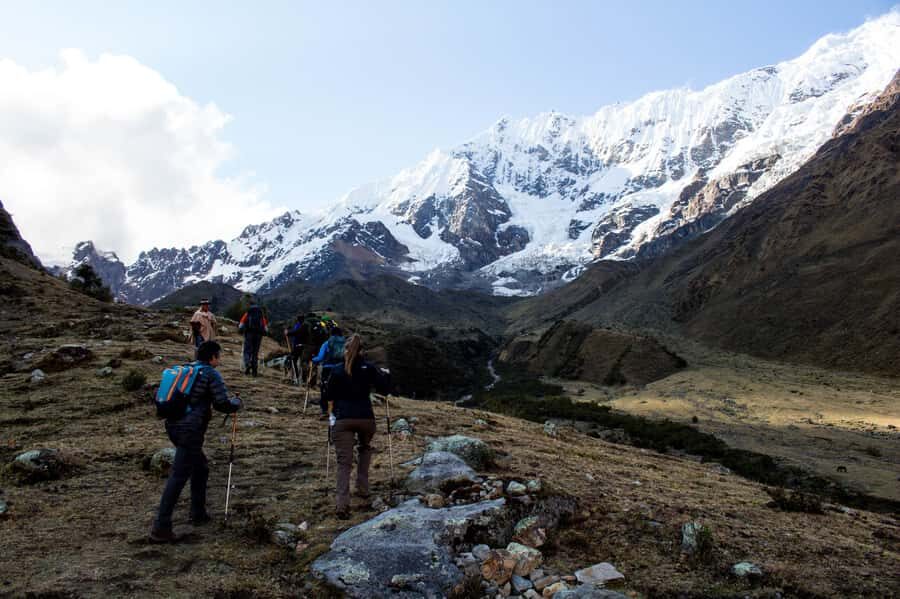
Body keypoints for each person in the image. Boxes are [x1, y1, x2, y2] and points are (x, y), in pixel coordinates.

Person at [150, 341, 242, 542]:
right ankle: (161, 527)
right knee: (178, 475)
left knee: (200, 468)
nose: (220, 359)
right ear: (213, 357)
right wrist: (236, 404)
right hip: (190, 430)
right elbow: (222, 403)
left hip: (173, 426)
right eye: (219, 356)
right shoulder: (210, 373)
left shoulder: (187, 370)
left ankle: (198, 513)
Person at [323, 334, 390, 519]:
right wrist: (385, 375)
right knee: (365, 448)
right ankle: (363, 488)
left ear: (345, 350)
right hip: (366, 418)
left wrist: (329, 412)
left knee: (344, 462)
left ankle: (342, 504)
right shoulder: (369, 368)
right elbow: (385, 389)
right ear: (363, 352)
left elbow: (328, 396)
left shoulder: (336, 370)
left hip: (343, 419)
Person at [312, 324, 345, 416]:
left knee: (325, 388)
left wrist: (313, 359)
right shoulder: (345, 343)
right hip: (341, 369)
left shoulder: (327, 343)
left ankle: (325, 409)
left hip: (328, 369)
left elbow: (320, 357)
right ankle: (338, 409)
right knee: (339, 389)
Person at [238, 301, 269, 377]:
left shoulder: (248, 313)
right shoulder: (260, 315)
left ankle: (247, 364)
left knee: (247, 351)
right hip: (258, 336)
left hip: (249, 334)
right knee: (255, 353)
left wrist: (243, 329)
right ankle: (254, 371)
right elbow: (266, 328)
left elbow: (240, 325)